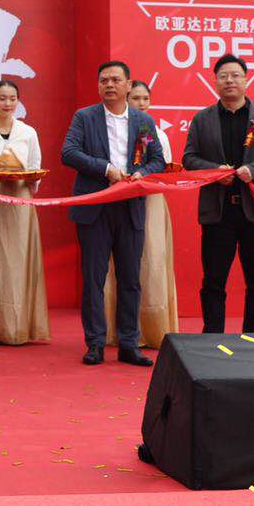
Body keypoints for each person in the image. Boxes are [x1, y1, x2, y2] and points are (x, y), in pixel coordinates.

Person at [62, 59, 166, 367]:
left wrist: (140, 173)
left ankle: (128, 344)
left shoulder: (143, 121)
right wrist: (106, 169)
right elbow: (69, 152)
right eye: (104, 80)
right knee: (94, 279)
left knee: (130, 279)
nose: (109, 84)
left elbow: (157, 160)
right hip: (95, 207)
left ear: (128, 85)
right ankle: (95, 343)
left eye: (116, 80)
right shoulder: (85, 117)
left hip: (130, 206)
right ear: (98, 86)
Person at [182, 56, 254, 335]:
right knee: (213, 280)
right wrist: (214, 172)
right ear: (215, 81)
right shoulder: (203, 119)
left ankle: (253, 338)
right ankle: (212, 336)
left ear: (246, 80)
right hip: (218, 213)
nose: (229, 80)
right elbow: (189, 158)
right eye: (223, 76)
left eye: (235, 75)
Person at [104, 79, 180, 346]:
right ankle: (122, 330)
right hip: (120, 201)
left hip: (151, 202)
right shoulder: (114, 130)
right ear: (125, 99)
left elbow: (166, 169)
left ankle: (154, 329)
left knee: (153, 262)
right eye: (135, 98)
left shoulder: (159, 134)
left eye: (145, 99)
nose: (141, 104)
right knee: (122, 265)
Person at [0, 79, 49, 345]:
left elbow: (35, 166)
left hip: (20, 200)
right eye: (2, 98)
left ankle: (20, 326)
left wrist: (28, 178)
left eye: (12, 99)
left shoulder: (27, 132)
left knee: (19, 260)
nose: (7, 104)